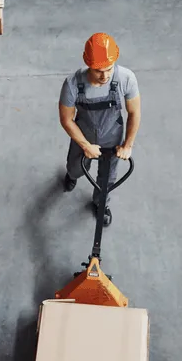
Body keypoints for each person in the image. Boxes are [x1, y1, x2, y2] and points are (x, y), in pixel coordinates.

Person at [59, 32, 141, 226]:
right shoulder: (72, 84)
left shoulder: (126, 78)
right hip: (83, 134)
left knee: (108, 177)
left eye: (108, 69)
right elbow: (66, 119)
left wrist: (128, 145)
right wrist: (85, 145)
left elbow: (134, 112)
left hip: (112, 137)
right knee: (76, 168)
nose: (104, 75)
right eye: (98, 70)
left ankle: (101, 203)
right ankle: (72, 175)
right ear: (88, 64)